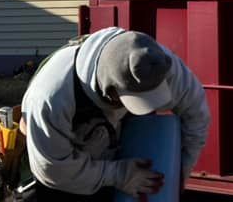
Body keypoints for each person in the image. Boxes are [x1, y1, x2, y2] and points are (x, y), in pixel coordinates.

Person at [20, 27, 211, 200]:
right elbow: (53, 170)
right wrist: (118, 175)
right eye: (136, 101)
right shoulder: (51, 98)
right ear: (108, 91)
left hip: (108, 143)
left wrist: (179, 172)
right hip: (62, 165)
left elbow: (197, 115)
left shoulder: (156, 63)